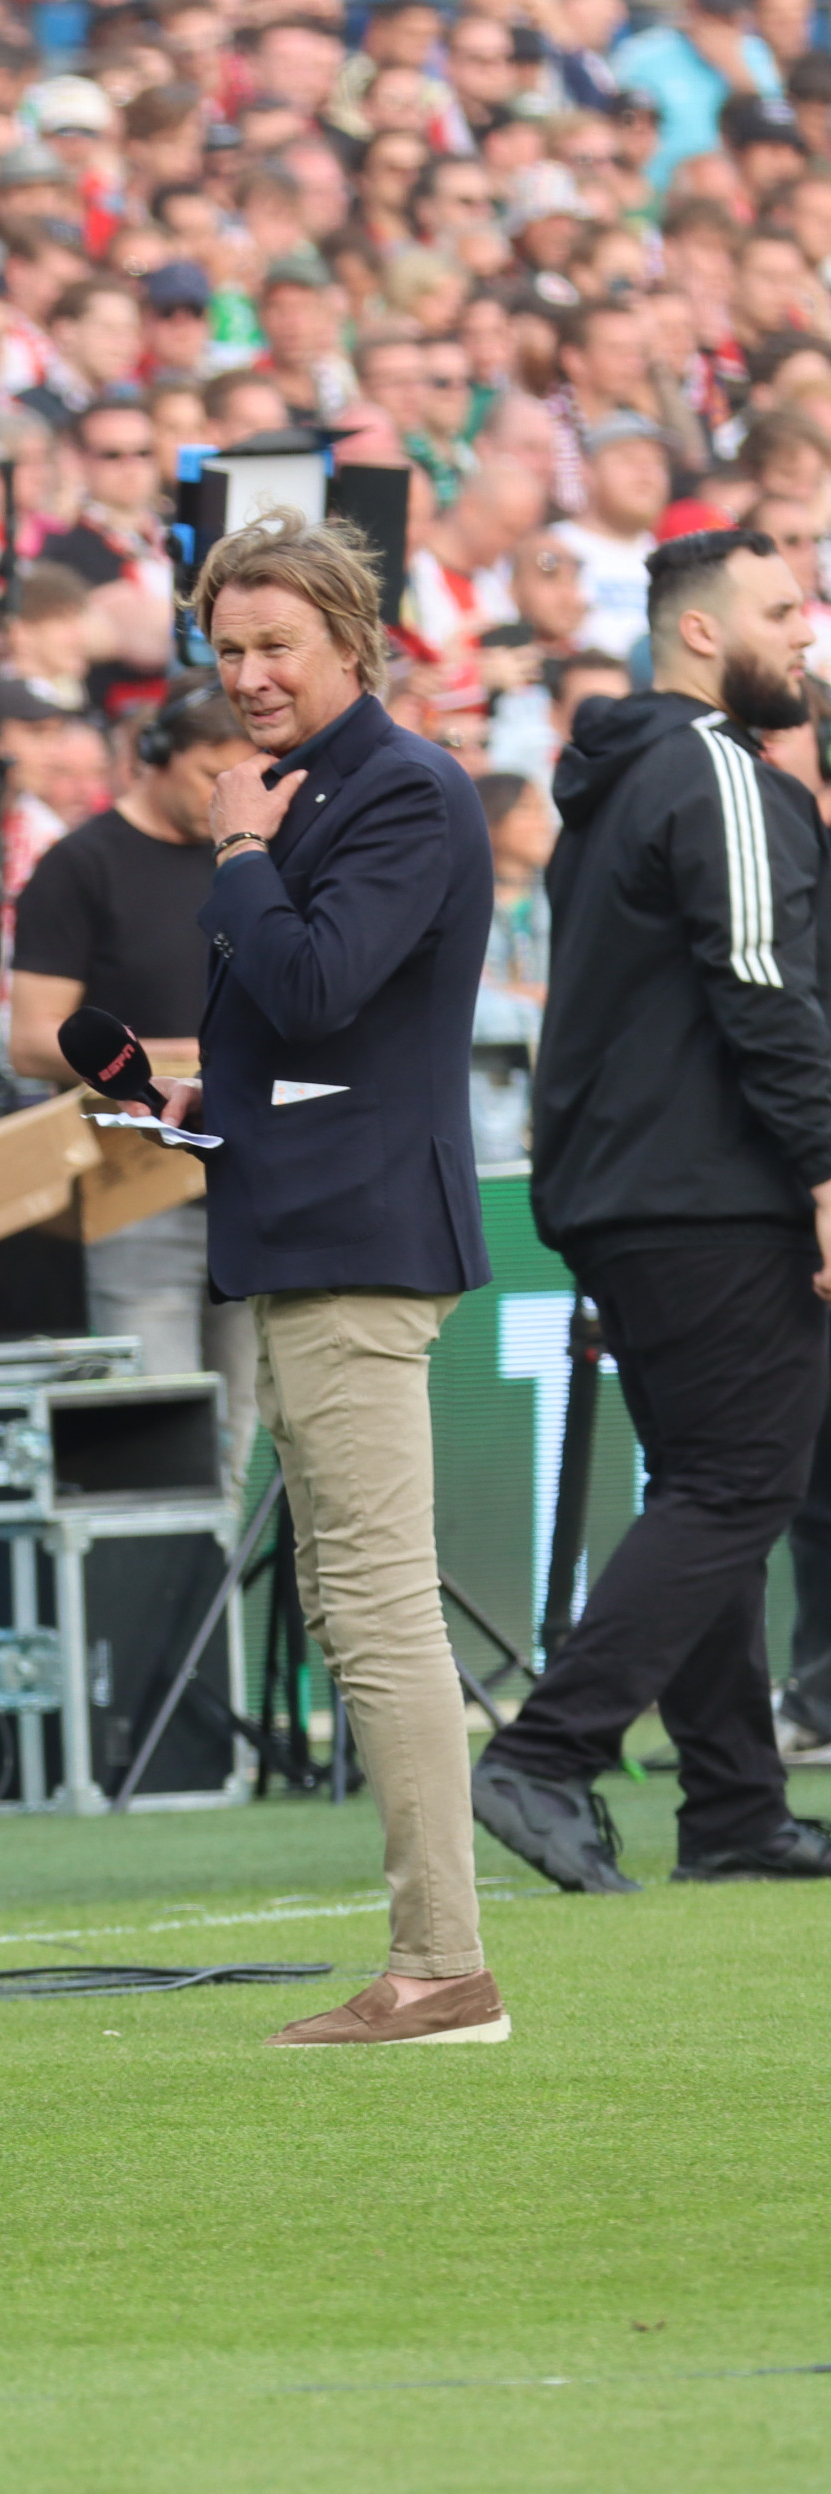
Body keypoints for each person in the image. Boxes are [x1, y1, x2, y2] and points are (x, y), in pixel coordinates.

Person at [156, 516, 506, 2049]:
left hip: (360, 1241)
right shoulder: (343, 787)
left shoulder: (404, 790)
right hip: (313, 1227)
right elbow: (310, 1032)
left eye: (275, 645)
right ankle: (433, 1958)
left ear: (353, 644)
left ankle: (444, 1968)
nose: (246, 676)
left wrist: (236, 846)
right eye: (227, 649)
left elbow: (313, 982)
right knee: (357, 1602)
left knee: (373, 1606)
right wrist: (198, 1096)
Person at [478, 529, 831, 1892]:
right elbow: (763, 982)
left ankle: (736, 1806)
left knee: (710, 1484)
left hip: (634, 1187)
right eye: (782, 609)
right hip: (707, 1189)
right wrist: (821, 1168)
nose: (805, 633)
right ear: (700, 631)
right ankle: (547, 1752)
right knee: (744, 1481)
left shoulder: (620, 782)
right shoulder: (714, 770)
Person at [8, 684, 264, 1455]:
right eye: (207, 776)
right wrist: (175, 1064)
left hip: (247, 1177)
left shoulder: (250, 862)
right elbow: (28, 1040)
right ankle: (168, 1573)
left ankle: (208, 1574)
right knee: (157, 1424)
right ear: (153, 759)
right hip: (137, 1186)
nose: (223, 798)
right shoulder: (81, 864)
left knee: (239, 1423)